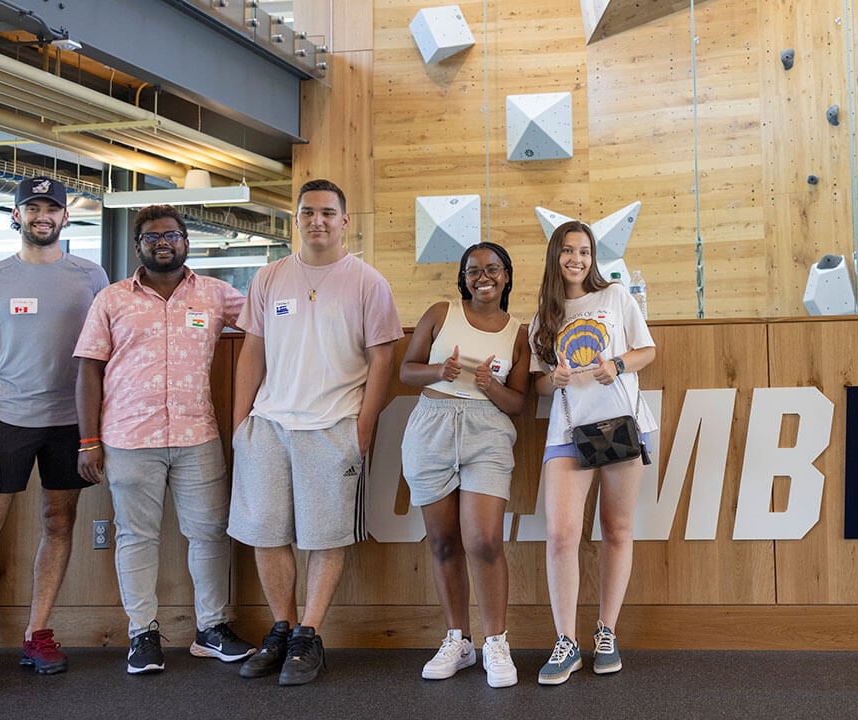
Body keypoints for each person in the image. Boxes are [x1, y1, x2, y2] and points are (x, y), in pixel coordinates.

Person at [228, 178, 402, 686]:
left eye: (328, 212)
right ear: (296, 219)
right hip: (268, 424)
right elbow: (252, 351)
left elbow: (383, 358)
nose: (317, 221)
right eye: (308, 212)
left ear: (345, 221)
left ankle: (309, 633)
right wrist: (242, 423)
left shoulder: (368, 282)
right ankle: (281, 628)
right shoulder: (269, 277)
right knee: (266, 531)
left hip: (334, 426)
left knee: (325, 536)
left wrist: (364, 429)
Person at [73, 204, 254, 675]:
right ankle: (142, 634)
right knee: (135, 536)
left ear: (186, 241)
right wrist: (88, 440)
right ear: (138, 247)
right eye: (152, 238)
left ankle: (211, 629)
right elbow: (88, 368)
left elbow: (267, 324)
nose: (163, 243)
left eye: (171, 235)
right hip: (128, 438)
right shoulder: (111, 299)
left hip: (198, 435)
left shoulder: (216, 295)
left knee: (210, 533)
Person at [0, 176, 109, 675]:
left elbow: (105, 353)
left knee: (59, 523)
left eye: (50, 208)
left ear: (65, 217)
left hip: (71, 424)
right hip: (8, 420)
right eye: (32, 208)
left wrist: (97, 427)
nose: (42, 217)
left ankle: (37, 635)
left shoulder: (91, 276)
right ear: (17, 216)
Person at [528, 221, 657, 685]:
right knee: (562, 535)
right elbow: (539, 382)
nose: (576, 259)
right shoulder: (541, 316)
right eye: (567, 251)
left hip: (620, 425)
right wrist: (554, 381)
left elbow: (647, 351)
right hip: (567, 430)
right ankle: (566, 642)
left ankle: (606, 632)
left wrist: (616, 364)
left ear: (593, 257)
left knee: (616, 530)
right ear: (555, 256)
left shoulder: (617, 298)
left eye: (583, 251)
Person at [400, 241, 530, 688]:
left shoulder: (519, 332)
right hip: (431, 429)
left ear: (507, 276)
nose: (483, 277)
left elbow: (517, 403)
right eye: (473, 271)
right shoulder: (440, 312)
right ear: (463, 278)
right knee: (442, 543)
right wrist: (440, 371)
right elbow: (407, 371)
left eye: (493, 269)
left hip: (487, 433)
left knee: (484, 541)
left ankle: (496, 642)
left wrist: (490, 385)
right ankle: (458, 640)